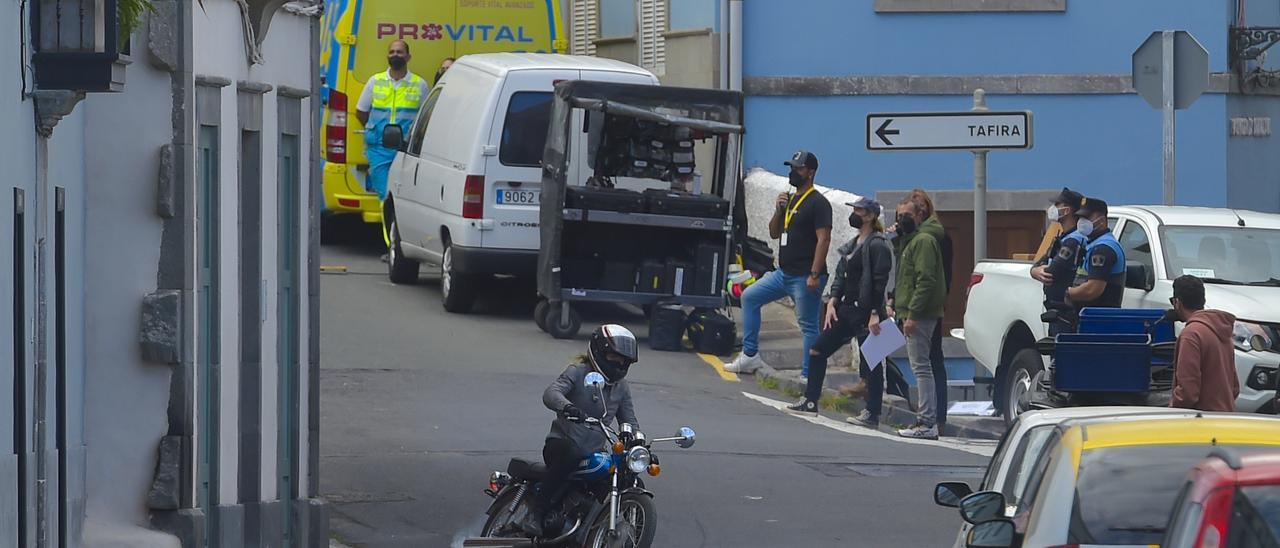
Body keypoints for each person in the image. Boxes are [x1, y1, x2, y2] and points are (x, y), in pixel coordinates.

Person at [522, 324, 640, 537]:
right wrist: (567, 407)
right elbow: (551, 393)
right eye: (614, 357)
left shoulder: (621, 386)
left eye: (624, 361)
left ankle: (589, 527)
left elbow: (629, 420)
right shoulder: (577, 372)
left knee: (625, 474)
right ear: (599, 351)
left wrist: (637, 441)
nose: (619, 364)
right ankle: (536, 514)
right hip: (561, 444)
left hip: (594, 451)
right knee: (572, 452)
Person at [726, 151, 832, 377]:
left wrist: (814, 273)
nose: (792, 172)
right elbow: (774, 233)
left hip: (805, 276)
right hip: (783, 274)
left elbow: (824, 239)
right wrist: (778, 210)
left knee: (808, 325)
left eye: (798, 168)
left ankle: (808, 376)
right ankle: (750, 356)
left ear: (810, 173)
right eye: (792, 167)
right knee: (749, 296)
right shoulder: (790, 199)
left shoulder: (818, 203)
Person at [787, 198, 892, 420]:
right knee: (818, 350)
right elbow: (842, 275)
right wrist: (834, 300)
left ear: (871, 216)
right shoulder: (853, 244)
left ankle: (872, 413)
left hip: (868, 312)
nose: (854, 214)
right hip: (847, 309)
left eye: (859, 211)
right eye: (853, 209)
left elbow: (880, 281)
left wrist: (875, 314)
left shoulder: (878, 244)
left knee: (872, 364)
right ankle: (810, 400)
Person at [892, 199, 947, 439]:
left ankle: (926, 421)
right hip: (907, 312)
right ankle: (925, 420)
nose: (902, 218)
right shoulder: (909, 241)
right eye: (899, 214)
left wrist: (912, 314)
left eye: (907, 214)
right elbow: (905, 278)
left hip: (919, 315)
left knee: (922, 368)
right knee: (920, 366)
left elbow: (926, 280)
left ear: (919, 216)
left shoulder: (923, 241)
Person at [356, 39, 430, 203]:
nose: (395, 55)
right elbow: (361, 112)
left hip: (405, 149)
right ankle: (388, 228)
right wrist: (374, 130)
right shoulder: (375, 81)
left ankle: (395, 228)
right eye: (392, 52)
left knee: (404, 198)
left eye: (399, 52)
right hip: (379, 149)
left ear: (408, 57)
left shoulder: (420, 84)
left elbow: (425, 118)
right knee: (386, 197)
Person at [906, 189, 953, 426]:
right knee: (925, 360)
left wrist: (920, 307)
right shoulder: (913, 236)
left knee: (928, 361)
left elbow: (931, 276)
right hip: (912, 304)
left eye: (920, 205)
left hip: (924, 307)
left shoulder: (931, 237)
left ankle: (934, 417)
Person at [1168, 276, 1240, 412]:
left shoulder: (1191, 334)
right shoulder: (1222, 329)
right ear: (1203, 301)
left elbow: (1187, 392)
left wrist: (1173, 408)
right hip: (1225, 418)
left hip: (1201, 422)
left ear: (1177, 302)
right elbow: (1234, 387)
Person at [1031, 187, 1089, 335]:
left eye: (1057, 205)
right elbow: (1038, 264)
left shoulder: (1074, 240)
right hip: (1056, 310)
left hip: (1067, 312)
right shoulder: (1062, 237)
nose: (1053, 208)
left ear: (1067, 210)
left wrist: (1040, 270)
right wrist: (1035, 271)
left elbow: (1052, 272)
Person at [1064, 197, 1126, 317]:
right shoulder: (1092, 243)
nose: (1081, 222)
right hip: (1087, 315)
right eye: (1080, 218)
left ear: (1102, 221)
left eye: (1086, 218)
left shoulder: (1103, 249)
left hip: (1099, 319)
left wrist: (1067, 293)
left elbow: (1092, 289)